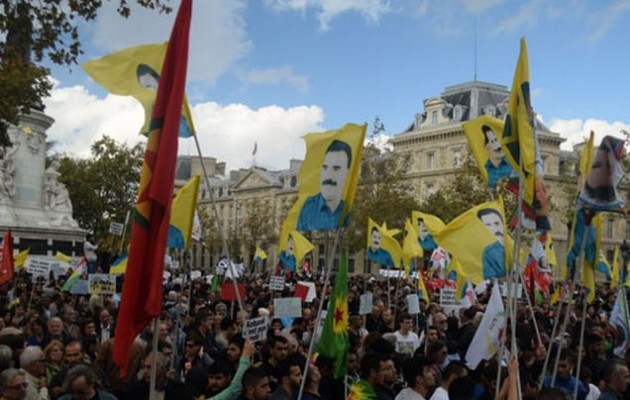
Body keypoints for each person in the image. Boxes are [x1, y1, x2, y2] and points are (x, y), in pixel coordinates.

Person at [297, 139, 352, 231]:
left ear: (347, 172)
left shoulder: (350, 210)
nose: (328, 175)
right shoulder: (307, 209)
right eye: (325, 168)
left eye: (336, 168)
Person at [477, 208, 506, 280]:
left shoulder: (513, 247)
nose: (495, 229)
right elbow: (490, 279)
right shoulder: (484, 252)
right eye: (488, 225)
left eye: (497, 223)